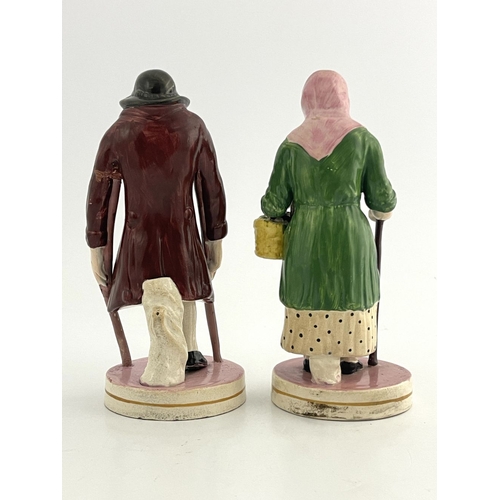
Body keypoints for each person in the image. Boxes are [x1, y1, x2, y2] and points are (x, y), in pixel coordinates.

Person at [86, 69, 227, 385]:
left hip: (141, 233)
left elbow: (99, 195)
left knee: (155, 288)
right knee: (184, 287)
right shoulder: (193, 127)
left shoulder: (119, 132)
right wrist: (214, 238)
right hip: (182, 230)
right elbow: (212, 188)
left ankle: (173, 351)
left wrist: (97, 245)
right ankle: (187, 349)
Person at [261, 70, 396, 384]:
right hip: (350, 235)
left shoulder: (290, 145)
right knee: (350, 292)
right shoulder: (364, 140)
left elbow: (273, 205)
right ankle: (347, 355)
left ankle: (319, 357)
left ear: (307, 100)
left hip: (306, 237)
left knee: (313, 294)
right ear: (344, 99)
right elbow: (382, 199)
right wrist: (381, 210)